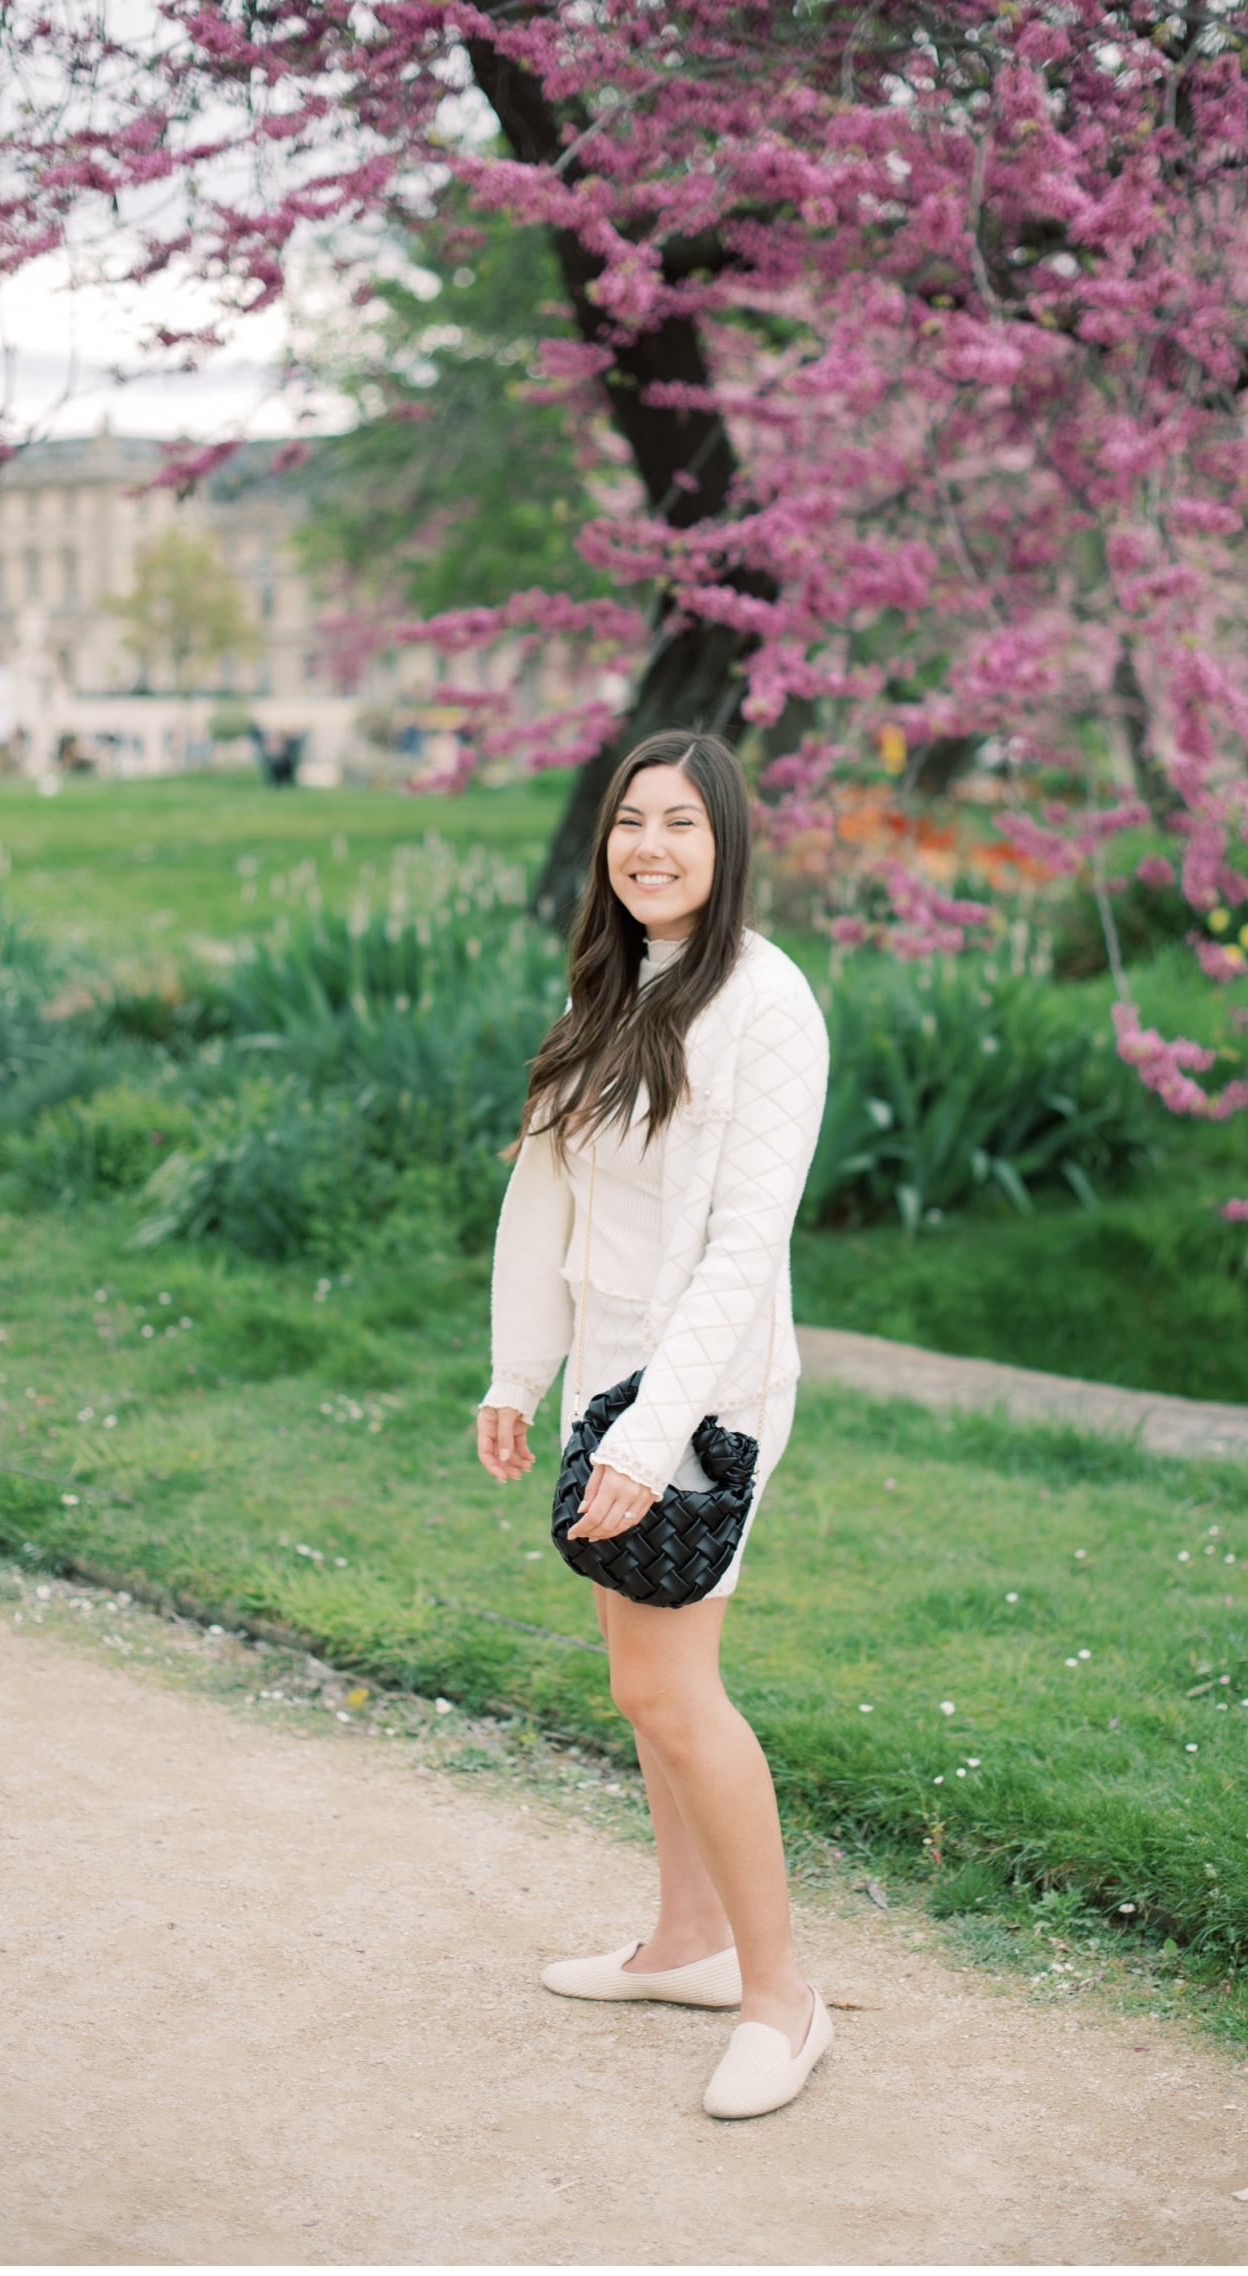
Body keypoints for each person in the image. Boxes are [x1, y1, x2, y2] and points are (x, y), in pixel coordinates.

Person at [475, 729, 831, 2120]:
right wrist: (520, 1374)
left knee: (678, 1690)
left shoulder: (765, 1004)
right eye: (632, 821)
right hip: (605, 1378)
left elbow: (745, 1254)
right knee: (640, 1686)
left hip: (707, 1394)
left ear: (726, 842)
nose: (651, 847)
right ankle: (686, 1943)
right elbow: (545, 1195)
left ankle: (781, 2000)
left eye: (682, 822)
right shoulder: (617, 984)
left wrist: (646, 1435)